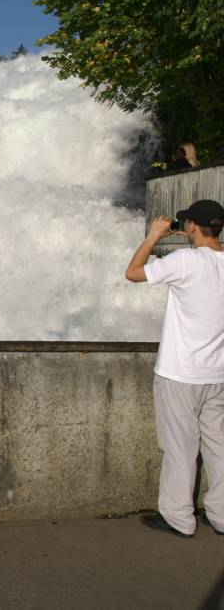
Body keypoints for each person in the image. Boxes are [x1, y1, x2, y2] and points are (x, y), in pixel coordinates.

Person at [125, 199, 224, 537]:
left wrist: (154, 235)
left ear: (192, 227)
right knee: (219, 446)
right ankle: (222, 514)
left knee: (180, 446)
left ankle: (178, 517)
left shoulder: (186, 260)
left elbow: (133, 273)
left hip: (180, 373)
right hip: (218, 373)